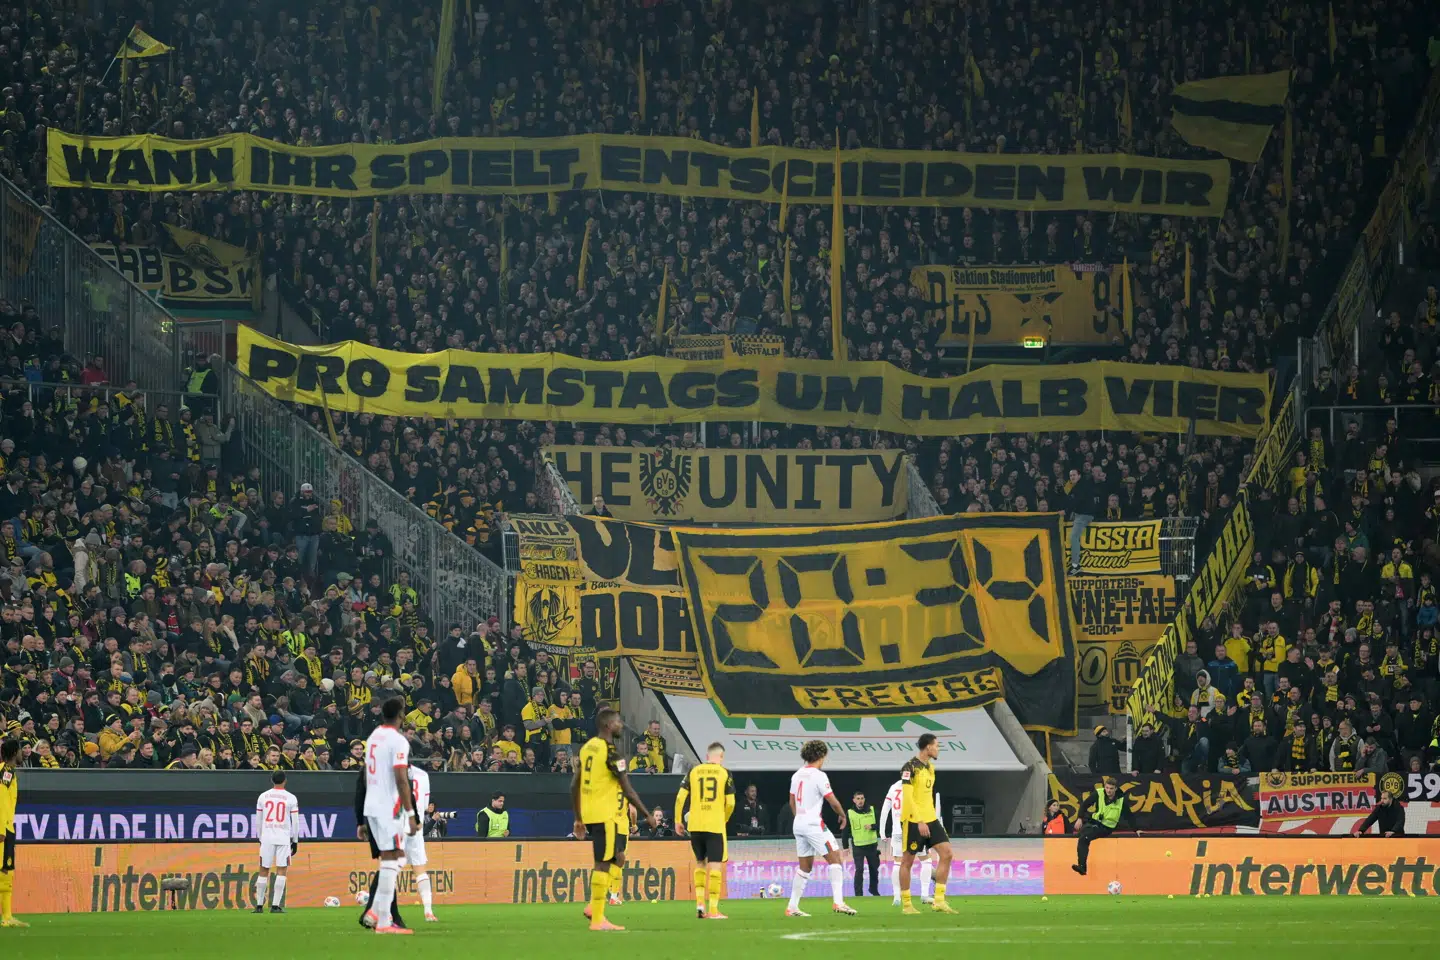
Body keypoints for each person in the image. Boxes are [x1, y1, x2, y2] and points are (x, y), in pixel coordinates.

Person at [572, 706, 656, 932]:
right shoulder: (613, 753)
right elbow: (628, 790)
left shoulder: (587, 748)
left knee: (613, 858)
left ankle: (594, 910)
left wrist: (579, 818)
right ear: (608, 725)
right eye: (618, 721)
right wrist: (647, 815)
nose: (621, 725)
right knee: (603, 863)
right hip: (607, 815)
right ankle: (598, 919)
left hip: (590, 814)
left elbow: (574, 784)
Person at [361, 696, 418, 935]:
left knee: (390, 857)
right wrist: (411, 812)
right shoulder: (398, 740)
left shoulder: (374, 736)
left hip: (371, 804)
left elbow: (366, 774)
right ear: (401, 715)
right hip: (388, 807)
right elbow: (400, 778)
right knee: (396, 856)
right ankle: (381, 920)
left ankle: (376, 911)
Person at [785, 739, 855, 917]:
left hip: (799, 823)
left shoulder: (797, 775)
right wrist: (842, 814)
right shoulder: (819, 775)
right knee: (836, 860)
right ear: (821, 756)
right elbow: (832, 800)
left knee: (805, 868)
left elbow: (792, 801)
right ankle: (838, 903)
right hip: (813, 824)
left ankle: (792, 907)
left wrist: (800, 818)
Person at [674, 742, 736, 920]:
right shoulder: (724, 773)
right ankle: (714, 910)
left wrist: (678, 820)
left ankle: (700, 904)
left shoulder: (694, 771)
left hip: (695, 825)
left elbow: (680, 797)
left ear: (707, 756)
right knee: (715, 865)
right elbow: (731, 802)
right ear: (721, 757)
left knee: (700, 862)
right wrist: (723, 818)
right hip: (714, 825)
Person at [897, 733, 955, 915]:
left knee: (947, 853)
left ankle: (939, 900)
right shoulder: (909, 767)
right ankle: (906, 905)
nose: (938, 749)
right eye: (936, 745)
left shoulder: (930, 767)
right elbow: (908, 797)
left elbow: (925, 797)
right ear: (928, 747)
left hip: (931, 818)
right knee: (907, 861)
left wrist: (931, 819)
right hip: (914, 820)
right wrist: (920, 820)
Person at [880, 776, 937, 905]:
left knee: (898, 863)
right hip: (914, 829)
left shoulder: (893, 787)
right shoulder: (916, 787)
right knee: (926, 860)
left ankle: (896, 897)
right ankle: (924, 895)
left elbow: (885, 810)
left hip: (897, 832)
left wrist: (882, 831)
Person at [1072, 776, 1141, 877]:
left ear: (1116, 789)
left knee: (1084, 838)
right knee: (1082, 835)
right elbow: (1085, 804)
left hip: (1106, 827)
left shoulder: (1121, 800)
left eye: (1111, 788)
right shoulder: (1099, 793)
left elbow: (1129, 816)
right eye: (1107, 788)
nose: (1108, 790)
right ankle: (1082, 866)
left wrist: (1136, 829)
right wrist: (1080, 818)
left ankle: (1082, 867)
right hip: (1094, 822)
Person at [252, 770, 300, 914]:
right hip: (283, 837)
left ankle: (259, 905)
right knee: (282, 869)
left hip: (266, 836)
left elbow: (258, 820)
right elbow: (296, 822)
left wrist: (260, 838)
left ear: (271, 780)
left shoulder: (263, 796)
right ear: (285, 780)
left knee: (263, 870)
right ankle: (275, 905)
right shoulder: (291, 798)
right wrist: (295, 840)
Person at [401, 763, 437, 922]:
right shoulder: (423, 775)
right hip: (416, 826)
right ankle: (428, 911)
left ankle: (383, 912)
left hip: (397, 825)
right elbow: (424, 805)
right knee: (420, 869)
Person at [0, 738, 22, 928]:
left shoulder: (8, 771)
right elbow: (0, 797)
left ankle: (7, 917)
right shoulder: (6, 771)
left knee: (6, 871)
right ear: (15, 752)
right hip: (3, 828)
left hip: (8, 826)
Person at [844, 790, 880, 898]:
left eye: (862, 798)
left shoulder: (872, 810)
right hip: (858, 846)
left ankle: (873, 890)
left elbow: (882, 825)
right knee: (859, 870)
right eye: (858, 799)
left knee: (874, 869)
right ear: (854, 800)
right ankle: (858, 894)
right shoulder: (850, 813)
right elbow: (846, 830)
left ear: (864, 799)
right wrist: (845, 846)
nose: (860, 801)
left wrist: (873, 826)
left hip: (872, 845)